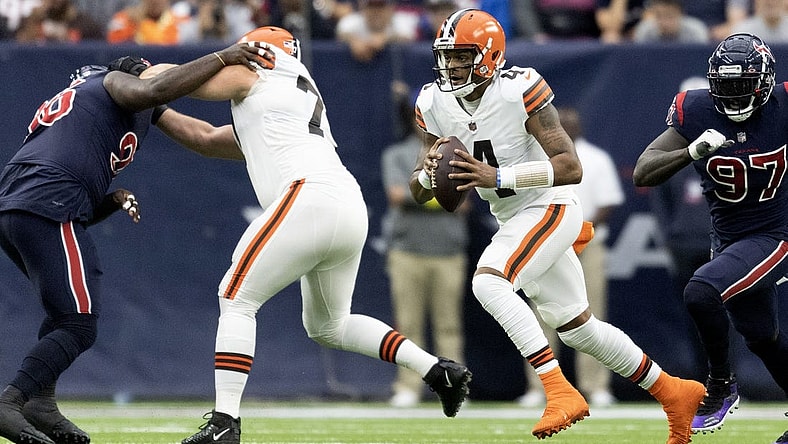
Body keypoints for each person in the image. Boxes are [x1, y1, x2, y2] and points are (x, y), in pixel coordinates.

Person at [141, 26, 472, 444]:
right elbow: (205, 138)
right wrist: (154, 110)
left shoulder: (269, 67)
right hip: (343, 203)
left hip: (309, 195)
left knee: (236, 297)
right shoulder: (279, 104)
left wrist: (146, 74)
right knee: (329, 325)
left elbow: (186, 83)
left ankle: (225, 423)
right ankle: (437, 370)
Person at [410, 8, 705, 443]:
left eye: (461, 56)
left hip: (550, 205)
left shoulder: (518, 90)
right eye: (446, 56)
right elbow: (421, 191)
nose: (451, 66)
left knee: (489, 282)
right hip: (512, 217)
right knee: (578, 326)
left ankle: (557, 389)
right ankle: (674, 391)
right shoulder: (432, 103)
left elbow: (570, 167)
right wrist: (426, 174)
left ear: (490, 56)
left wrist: (498, 177)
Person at [0, 42, 267, 444]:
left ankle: (41, 402)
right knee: (78, 323)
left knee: (63, 314)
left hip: (26, 201)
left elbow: (203, 134)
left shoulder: (103, 102)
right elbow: (151, 91)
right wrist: (221, 57)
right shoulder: (111, 82)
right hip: (48, 198)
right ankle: (12, 400)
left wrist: (279, 139)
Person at [632, 33, 788, 444]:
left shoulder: (785, 104)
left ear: (765, 81)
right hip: (728, 237)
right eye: (725, 87)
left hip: (775, 231)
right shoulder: (696, 109)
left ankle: (719, 387)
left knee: (701, 291)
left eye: (742, 85)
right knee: (761, 336)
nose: (734, 96)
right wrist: (690, 153)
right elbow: (643, 172)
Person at [519, 107, 625, 409]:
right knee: (540, 318)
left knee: (591, 315)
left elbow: (607, 202)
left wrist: (580, 229)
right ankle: (540, 387)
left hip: (587, 244)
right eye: (559, 125)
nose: (565, 128)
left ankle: (596, 386)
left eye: (570, 124)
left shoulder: (596, 158)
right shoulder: (535, 158)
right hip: (545, 244)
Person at [381, 80, 470, 408]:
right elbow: (395, 196)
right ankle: (408, 386)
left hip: (448, 251)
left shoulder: (459, 153)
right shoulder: (397, 153)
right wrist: (437, 197)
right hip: (407, 250)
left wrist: (419, 196)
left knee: (449, 325)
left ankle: (455, 385)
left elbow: (465, 203)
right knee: (408, 324)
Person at [335, 0, 419, 63]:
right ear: (363, 9)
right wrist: (353, 40)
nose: (376, 12)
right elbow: (341, 32)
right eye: (371, 7)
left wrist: (385, 38)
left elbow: (408, 36)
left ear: (390, 8)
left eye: (380, 6)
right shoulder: (353, 20)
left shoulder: (402, 20)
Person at [106, 0, 192, 44]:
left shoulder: (181, 22)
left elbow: (161, 47)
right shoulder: (124, 18)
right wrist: (132, 25)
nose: (154, 1)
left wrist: (142, 23)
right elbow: (114, 43)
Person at [632, 0, 709, 43]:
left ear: (681, 14)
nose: (664, 22)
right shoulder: (645, 31)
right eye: (659, 16)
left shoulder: (695, 31)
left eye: (670, 16)